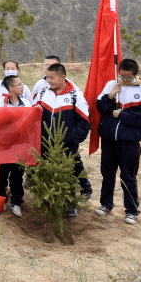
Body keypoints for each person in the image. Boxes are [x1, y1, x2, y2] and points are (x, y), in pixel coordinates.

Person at [96, 58, 141, 225]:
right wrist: (110, 95)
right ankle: (106, 204)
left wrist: (122, 115)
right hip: (108, 139)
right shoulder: (111, 84)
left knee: (128, 176)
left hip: (129, 141)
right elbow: (100, 107)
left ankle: (131, 210)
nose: (124, 80)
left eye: (128, 77)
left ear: (136, 75)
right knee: (107, 173)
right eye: (121, 76)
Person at [37, 62, 92, 214]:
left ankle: (69, 205)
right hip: (45, 144)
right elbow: (35, 115)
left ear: (63, 77)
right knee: (44, 173)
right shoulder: (44, 93)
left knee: (68, 175)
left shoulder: (75, 95)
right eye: (47, 77)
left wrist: (69, 139)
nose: (49, 81)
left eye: (52, 78)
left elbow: (84, 122)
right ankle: (44, 201)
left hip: (66, 145)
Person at [0, 74, 31, 217]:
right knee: (2, 174)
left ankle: (16, 201)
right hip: (4, 146)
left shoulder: (26, 104)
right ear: (11, 88)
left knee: (17, 175)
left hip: (20, 146)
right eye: (19, 84)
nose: (22, 87)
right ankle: (1, 199)